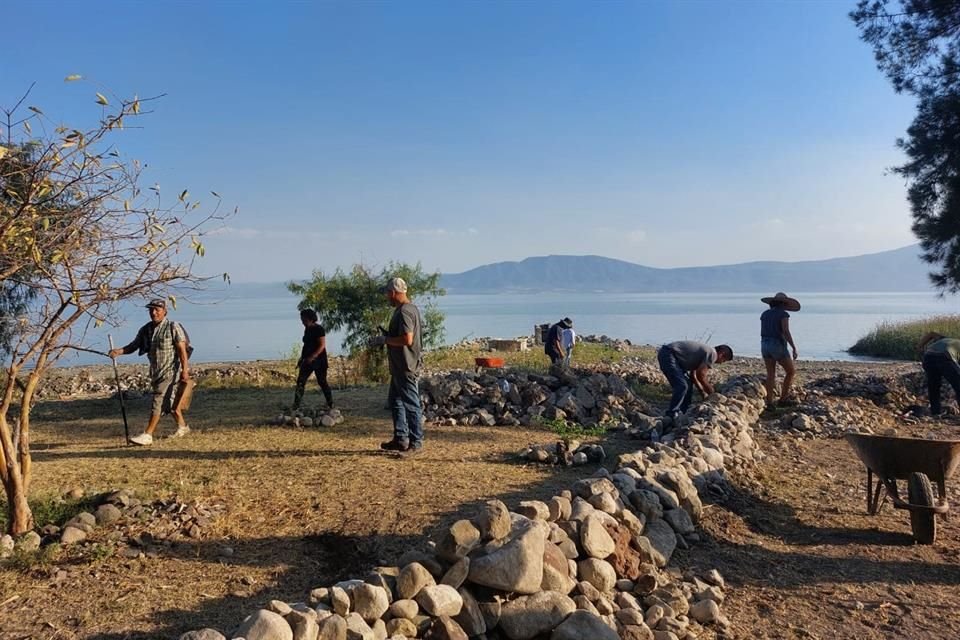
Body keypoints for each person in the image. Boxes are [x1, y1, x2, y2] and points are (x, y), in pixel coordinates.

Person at [108, 298, 192, 446]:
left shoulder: (173, 326)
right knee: (170, 404)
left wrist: (185, 370)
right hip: (156, 373)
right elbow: (134, 346)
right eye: (151, 310)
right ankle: (183, 427)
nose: (153, 313)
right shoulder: (146, 329)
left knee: (158, 400)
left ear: (164, 311)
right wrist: (118, 351)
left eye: (157, 310)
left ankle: (148, 434)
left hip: (170, 371)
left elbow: (182, 350)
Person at [369, 277, 424, 454]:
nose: (386, 297)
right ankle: (400, 439)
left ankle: (415, 442)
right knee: (396, 401)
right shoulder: (410, 309)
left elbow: (407, 339)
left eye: (387, 293)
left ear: (393, 292)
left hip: (406, 366)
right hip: (401, 365)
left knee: (411, 404)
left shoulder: (404, 312)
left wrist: (385, 339)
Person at [657, 340, 734, 419]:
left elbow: (693, 376)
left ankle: (684, 411)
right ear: (721, 354)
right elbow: (701, 375)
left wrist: (702, 392)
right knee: (682, 386)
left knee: (688, 385)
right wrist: (712, 393)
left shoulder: (704, 352)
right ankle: (671, 414)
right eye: (723, 360)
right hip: (669, 354)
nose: (721, 363)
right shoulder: (712, 353)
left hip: (671, 355)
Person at [760, 292, 801, 408]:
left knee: (771, 374)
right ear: (783, 303)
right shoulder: (783, 314)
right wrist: (793, 347)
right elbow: (785, 331)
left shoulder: (765, 314)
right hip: (777, 344)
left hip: (764, 344)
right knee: (790, 371)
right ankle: (783, 399)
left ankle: (769, 402)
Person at [292, 308, 333, 411]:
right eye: (302, 320)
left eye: (305, 320)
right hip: (307, 360)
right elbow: (306, 345)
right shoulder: (307, 329)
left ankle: (330, 403)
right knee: (301, 381)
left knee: (322, 381)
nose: (303, 323)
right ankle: (296, 405)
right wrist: (301, 358)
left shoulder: (319, 329)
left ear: (311, 319)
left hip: (319, 360)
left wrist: (312, 357)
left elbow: (321, 346)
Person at [919, 332, 960, 416]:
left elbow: (931, 334)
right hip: (945, 356)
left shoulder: (944, 339)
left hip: (928, 357)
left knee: (934, 385)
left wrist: (920, 346)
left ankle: (935, 412)